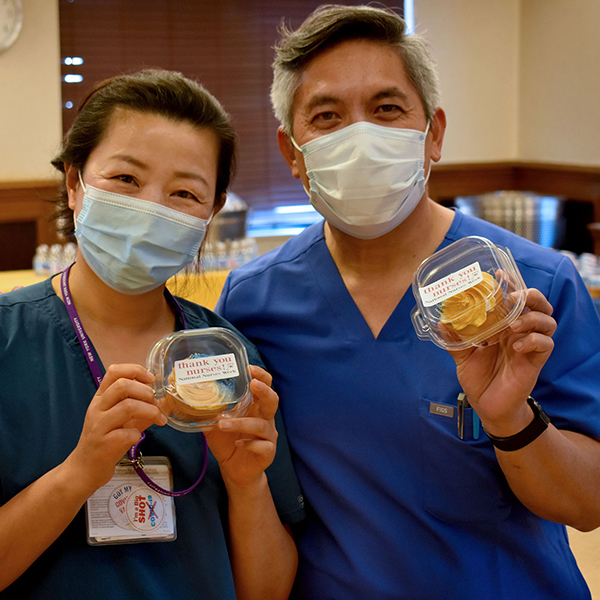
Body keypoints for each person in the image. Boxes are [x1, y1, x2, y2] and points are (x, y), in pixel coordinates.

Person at [216, 5, 600, 599]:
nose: (359, 136)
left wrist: (510, 421)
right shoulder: (255, 301)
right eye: (326, 116)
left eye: (387, 109)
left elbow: (588, 503)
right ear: (293, 154)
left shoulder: (533, 287)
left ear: (434, 134)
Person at [0, 69, 304, 599]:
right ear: (74, 184)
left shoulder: (228, 357)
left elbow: (267, 591)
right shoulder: (9, 341)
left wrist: (246, 481)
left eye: (184, 192)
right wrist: (79, 472)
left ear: (211, 213)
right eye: (125, 180)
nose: (150, 210)